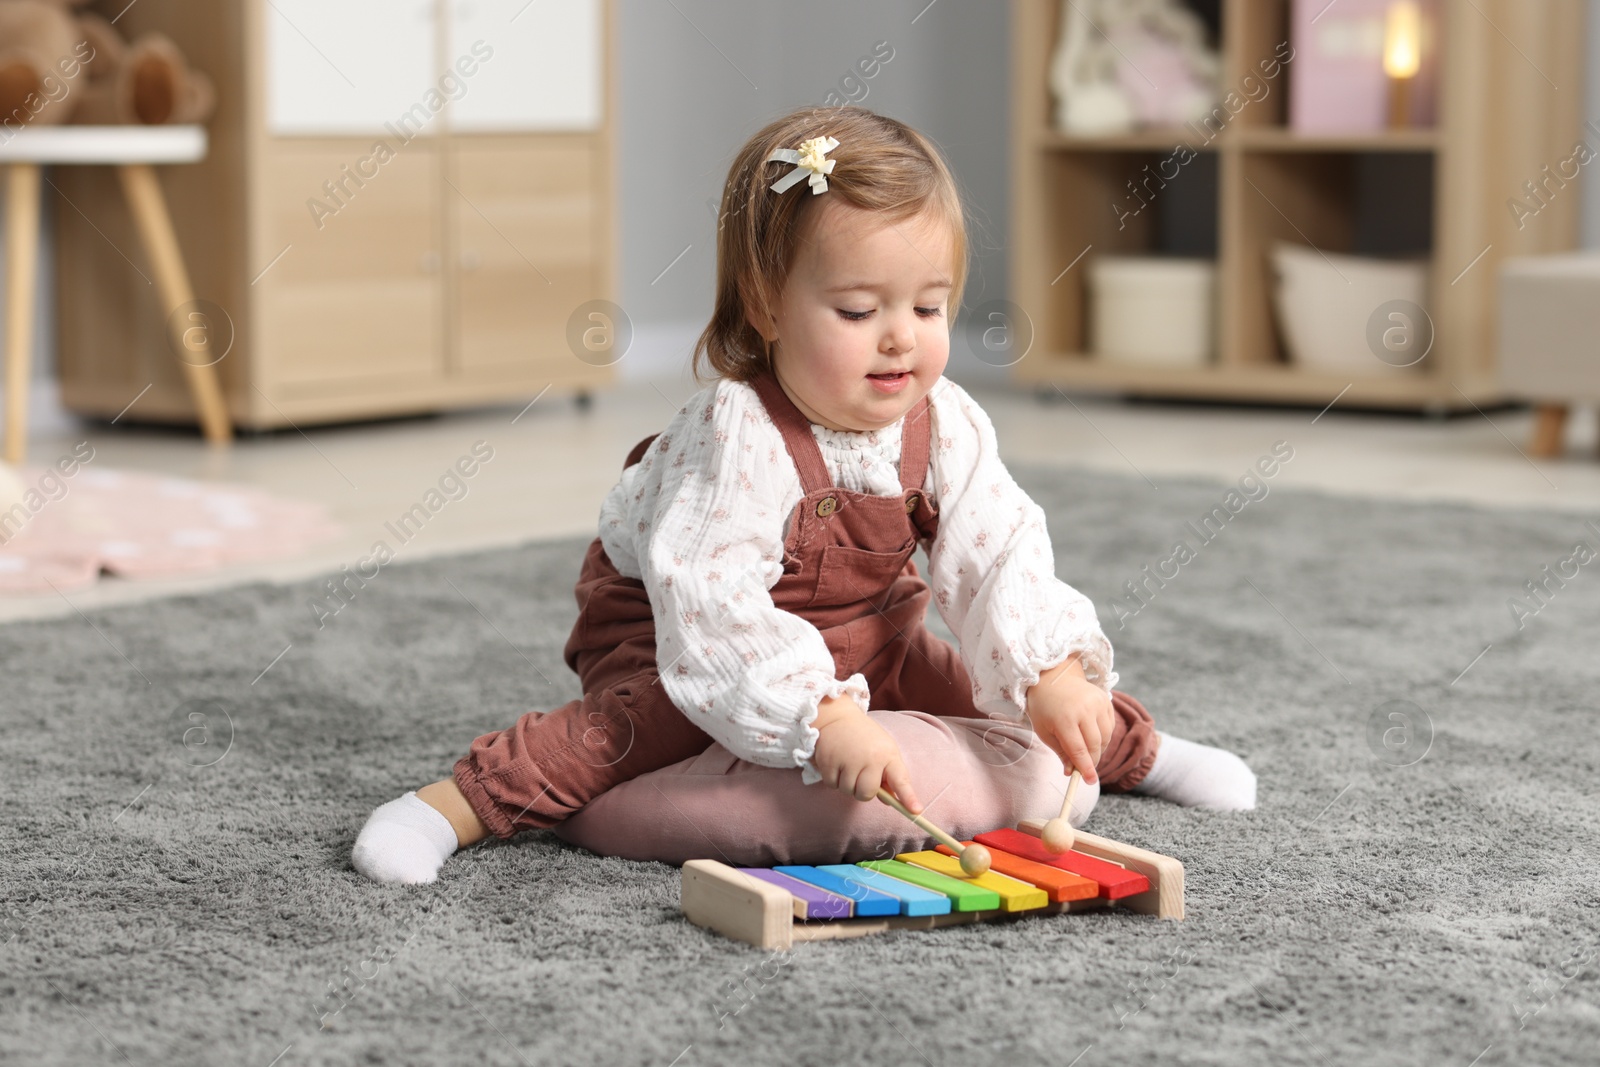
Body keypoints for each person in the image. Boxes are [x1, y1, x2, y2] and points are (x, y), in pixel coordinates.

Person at [352, 105, 1255, 884]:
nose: (899, 340)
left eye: (930, 309)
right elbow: (708, 598)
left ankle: (1139, 750)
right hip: (678, 631)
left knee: (988, 688)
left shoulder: (947, 421)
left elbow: (998, 552)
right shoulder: (739, 430)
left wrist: (1052, 674)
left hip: (871, 629)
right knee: (628, 729)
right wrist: (819, 716)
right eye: (860, 312)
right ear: (767, 305)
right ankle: (451, 808)